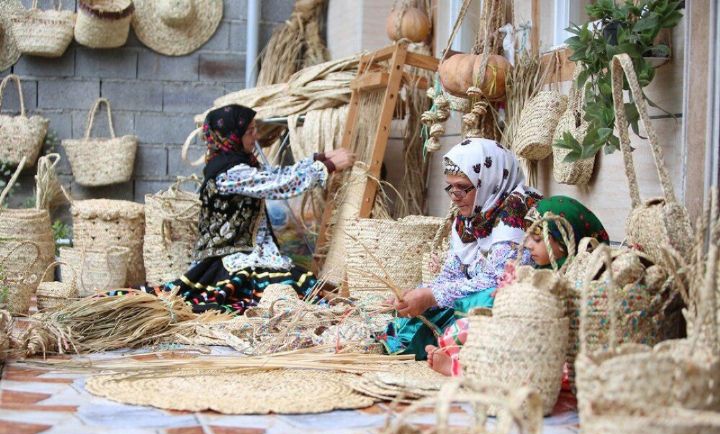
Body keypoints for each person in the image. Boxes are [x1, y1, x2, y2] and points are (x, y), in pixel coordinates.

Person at [168, 104, 355, 313]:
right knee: (280, 293)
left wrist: (318, 158)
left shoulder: (237, 163)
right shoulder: (230, 173)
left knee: (296, 289)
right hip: (232, 257)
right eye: (249, 131)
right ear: (233, 136)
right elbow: (279, 184)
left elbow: (275, 173)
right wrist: (326, 167)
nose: (256, 136)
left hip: (252, 252)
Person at [377, 137, 542, 360]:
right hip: (472, 299)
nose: (455, 198)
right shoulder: (470, 218)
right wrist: (418, 293)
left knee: (474, 305)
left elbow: (497, 282)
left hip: (506, 306)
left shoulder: (516, 214)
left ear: (489, 181)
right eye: (451, 188)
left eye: (462, 188)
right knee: (417, 314)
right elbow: (451, 273)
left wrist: (431, 296)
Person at [426, 195, 610, 376]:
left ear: (565, 242)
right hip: (525, 332)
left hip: (548, 342)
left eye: (537, 239)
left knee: (517, 354)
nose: (528, 245)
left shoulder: (581, 276)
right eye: (527, 237)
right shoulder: (538, 270)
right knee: (468, 325)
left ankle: (463, 370)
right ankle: (455, 354)